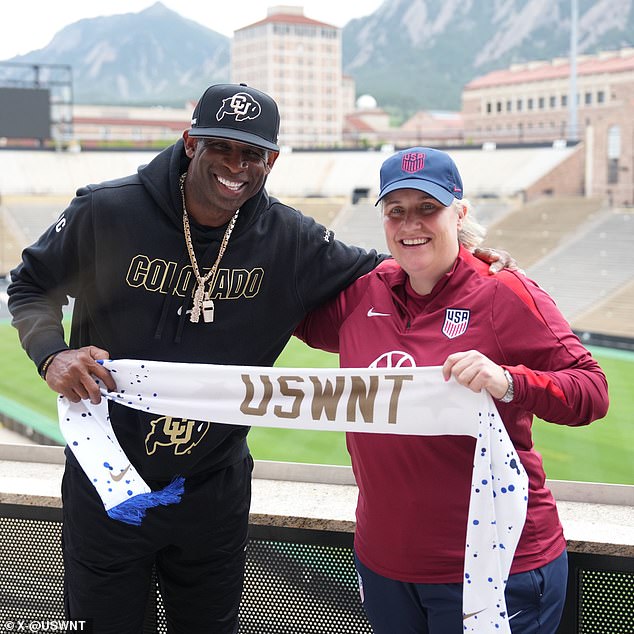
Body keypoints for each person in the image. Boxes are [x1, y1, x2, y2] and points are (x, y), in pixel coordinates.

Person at [8, 84, 513, 634]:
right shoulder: (107, 209)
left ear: (271, 160)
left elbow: (385, 270)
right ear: (189, 142)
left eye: (251, 153)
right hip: (108, 480)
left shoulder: (289, 240)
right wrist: (51, 353)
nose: (235, 165)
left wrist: (461, 255)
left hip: (212, 489)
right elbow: (31, 284)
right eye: (220, 147)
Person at [295, 147, 609, 633]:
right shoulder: (364, 293)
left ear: (459, 214)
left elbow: (592, 390)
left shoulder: (503, 292)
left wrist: (509, 381)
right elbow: (278, 310)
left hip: (496, 567)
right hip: (385, 567)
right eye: (396, 210)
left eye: (428, 208)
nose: (410, 223)